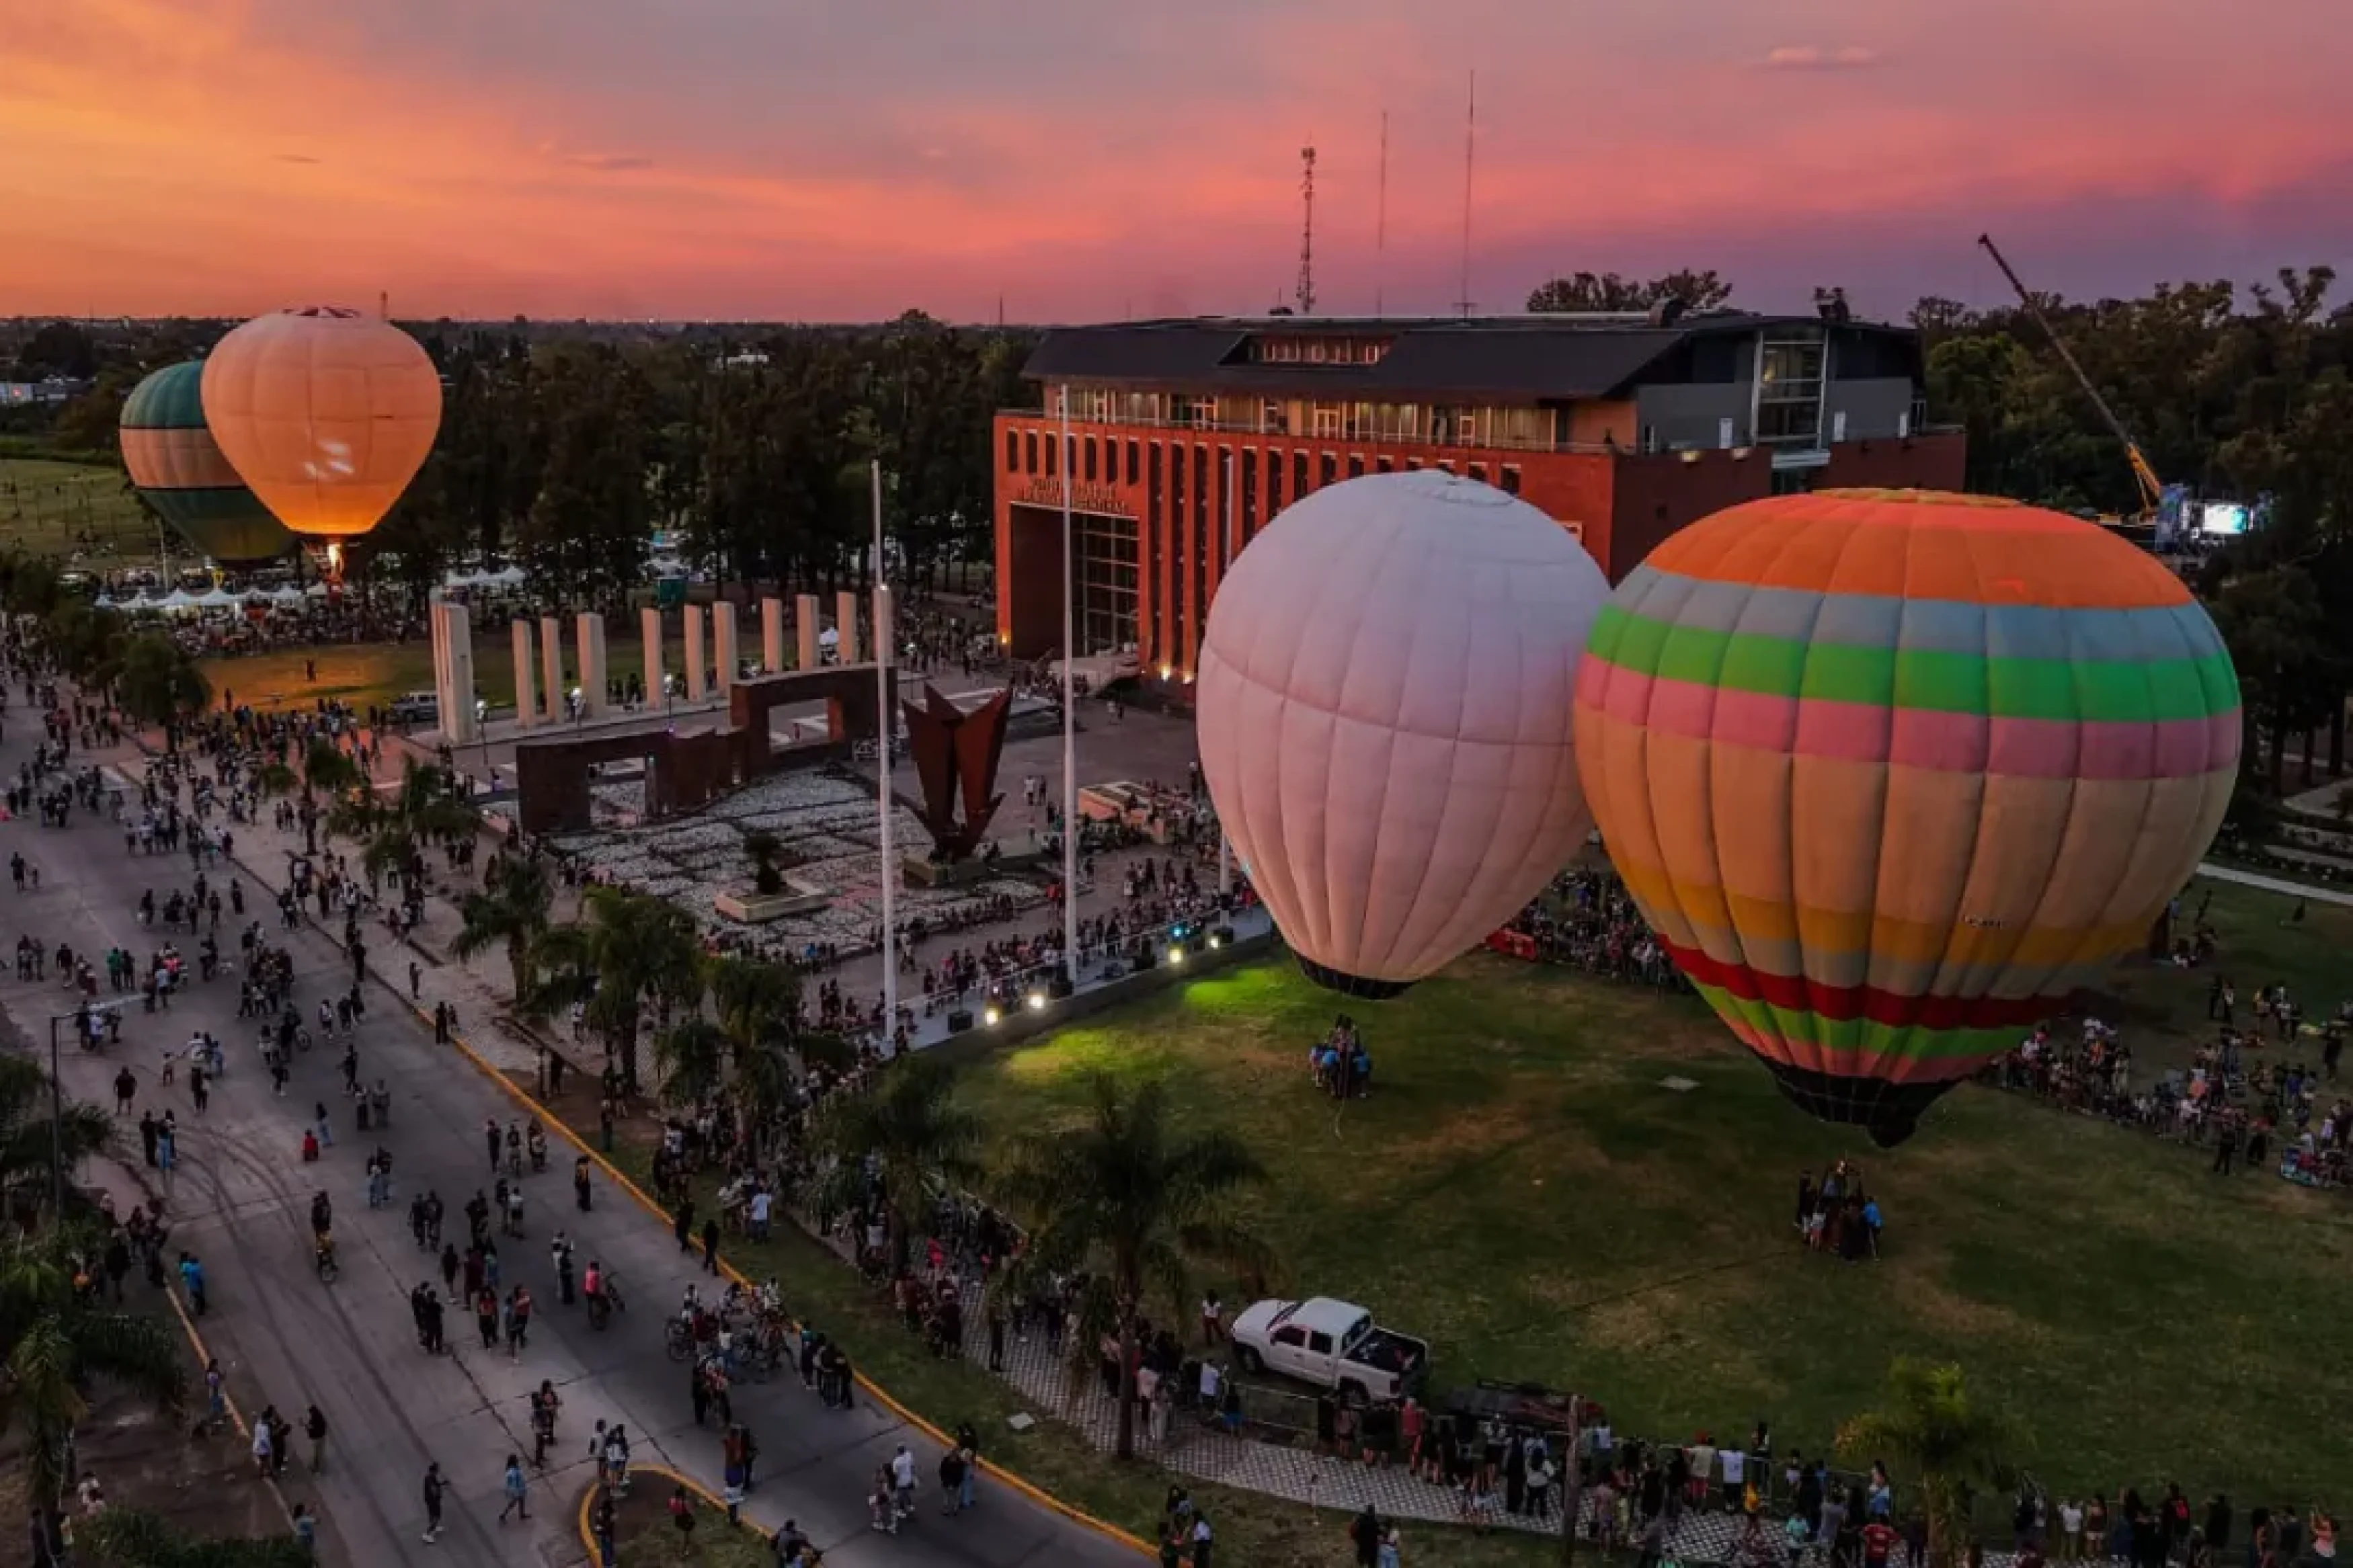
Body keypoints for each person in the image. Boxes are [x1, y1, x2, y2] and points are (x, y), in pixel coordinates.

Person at [497, 1454, 529, 1523]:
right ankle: (503, 1515)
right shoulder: (511, 1471)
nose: (517, 1460)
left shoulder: (515, 1468)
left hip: (519, 1488)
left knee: (521, 1500)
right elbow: (512, 1482)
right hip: (516, 1489)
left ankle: (522, 1514)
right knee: (513, 1503)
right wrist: (516, 1489)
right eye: (516, 1459)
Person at [421, 1461, 446, 1544]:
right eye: (437, 1470)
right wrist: (438, 1495)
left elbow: (436, 1484)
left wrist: (443, 1483)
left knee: (435, 1515)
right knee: (436, 1516)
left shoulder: (431, 1477)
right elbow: (433, 1489)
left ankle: (433, 1528)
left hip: (431, 1500)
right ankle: (428, 1534)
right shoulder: (429, 1479)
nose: (438, 1471)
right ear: (434, 1471)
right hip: (432, 1501)